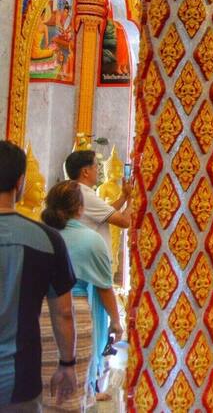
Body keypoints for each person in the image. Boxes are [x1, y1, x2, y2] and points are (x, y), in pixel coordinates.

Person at [0, 141, 78, 411]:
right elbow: (63, 312)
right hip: (19, 379)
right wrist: (67, 363)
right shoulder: (47, 239)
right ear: (20, 182)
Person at [40, 181, 124, 407]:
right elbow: (104, 287)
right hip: (76, 312)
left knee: (43, 384)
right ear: (80, 208)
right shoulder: (91, 240)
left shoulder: (40, 235)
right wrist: (116, 322)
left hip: (39, 312)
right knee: (72, 389)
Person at [64, 150, 132, 252]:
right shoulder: (85, 195)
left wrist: (124, 196)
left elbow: (105, 211)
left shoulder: (77, 191)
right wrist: (132, 198)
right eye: (96, 167)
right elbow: (125, 222)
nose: (99, 171)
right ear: (85, 172)